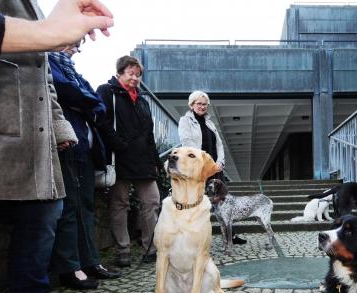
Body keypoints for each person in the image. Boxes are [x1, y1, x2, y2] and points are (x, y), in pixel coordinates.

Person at [0, 0, 113, 293]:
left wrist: (60, 127)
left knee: (43, 218)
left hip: (34, 133)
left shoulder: (31, 6)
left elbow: (44, 75)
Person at [48, 43, 121, 290]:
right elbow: (65, 91)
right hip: (66, 146)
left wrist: (86, 105)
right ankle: (71, 268)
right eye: (71, 43)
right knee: (69, 208)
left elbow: (97, 104)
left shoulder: (76, 73)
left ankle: (90, 262)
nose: (74, 49)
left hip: (86, 151)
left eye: (78, 46)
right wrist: (85, 104)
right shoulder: (48, 63)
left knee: (86, 207)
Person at [96, 56, 161, 267]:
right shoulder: (107, 91)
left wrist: (155, 162)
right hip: (119, 158)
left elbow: (149, 134)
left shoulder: (142, 100)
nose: (135, 78)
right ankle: (123, 250)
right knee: (119, 204)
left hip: (142, 160)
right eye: (130, 73)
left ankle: (152, 248)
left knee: (151, 202)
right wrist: (119, 145)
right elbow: (102, 122)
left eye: (138, 74)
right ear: (120, 73)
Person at [178, 90, 247, 245]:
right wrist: (207, 164)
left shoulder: (210, 123)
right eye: (199, 103)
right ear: (192, 104)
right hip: (199, 170)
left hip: (215, 170)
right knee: (198, 204)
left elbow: (219, 144)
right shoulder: (185, 121)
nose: (202, 107)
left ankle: (230, 235)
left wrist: (220, 163)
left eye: (205, 104)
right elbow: (188, 145)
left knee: (224, 202)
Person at [0, 0, 113, 70]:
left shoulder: (36, 8)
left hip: (34, 120)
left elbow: (45, 75)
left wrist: (60, 126)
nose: (74, 49)